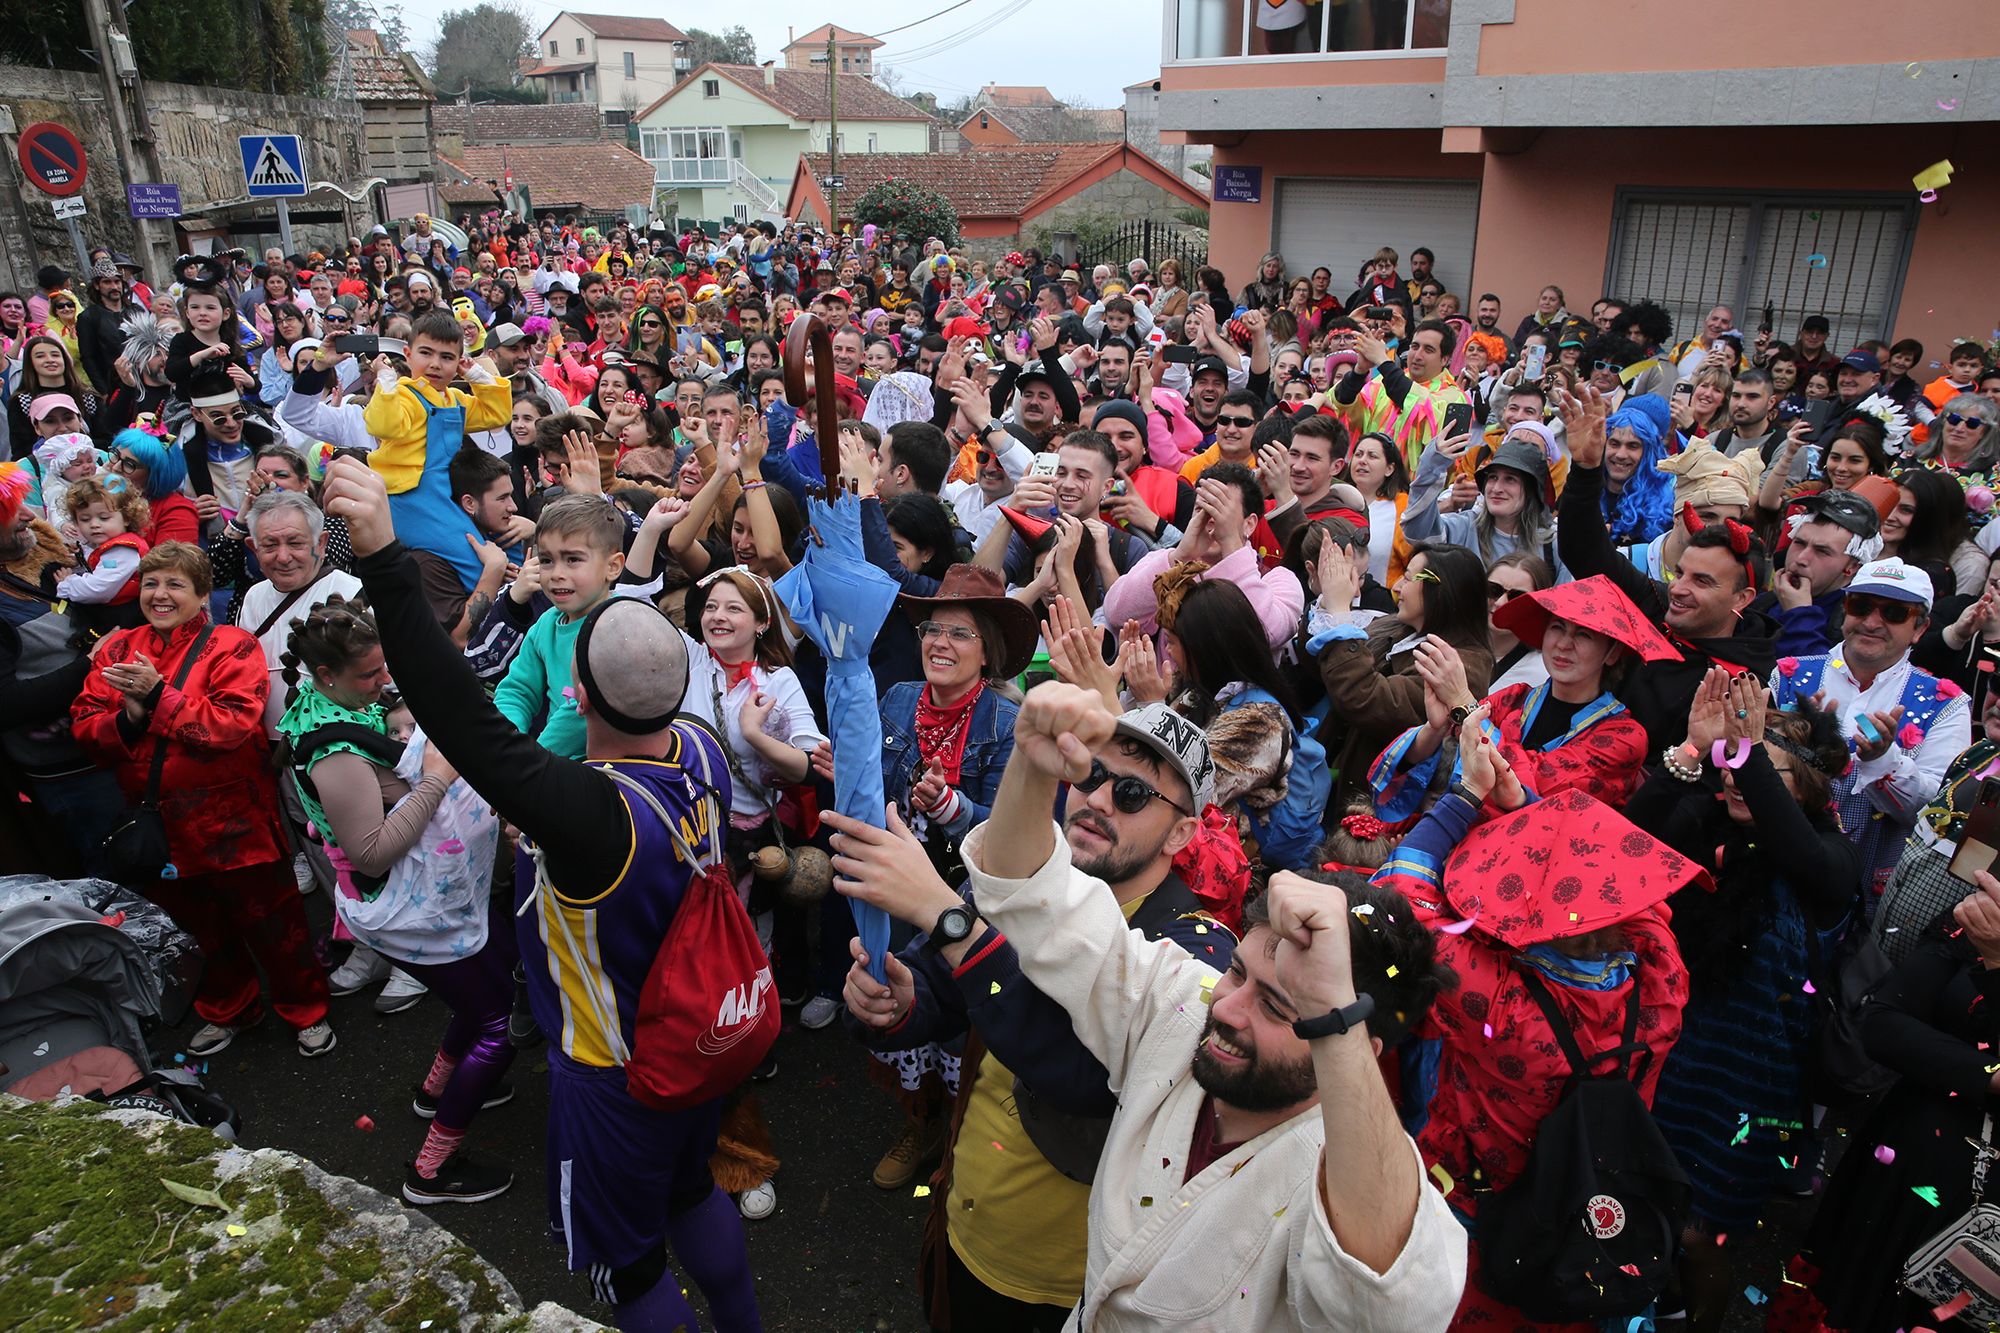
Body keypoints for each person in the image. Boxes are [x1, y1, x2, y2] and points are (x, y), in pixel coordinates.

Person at [320, 454, 763, 1329]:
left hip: (615, 1075)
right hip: (695, 1042)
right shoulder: (702, 744)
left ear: (583, 693)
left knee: (631, 1269)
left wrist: (382, 564)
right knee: (690, 1191)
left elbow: (467, 722)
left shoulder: (589, 811)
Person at [883, 681, 1467, 1329]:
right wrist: (1030, 757)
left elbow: (1398, 1305)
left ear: (1353, 1045)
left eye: (1280, 1007)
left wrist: (1334, 1004)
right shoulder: (1187, 1009)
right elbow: (1025, 893)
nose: (1232, 1007)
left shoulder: (1325, 1171)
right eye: (1240, 972)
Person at [830, 697, 1233, 1332]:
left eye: (1131, 794)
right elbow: (936, 984)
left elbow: (1084, 1078)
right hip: (962, 1224)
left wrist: (948, 918)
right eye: (1091, 775)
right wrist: (895, 1002)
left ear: (1181, 833)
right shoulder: (1029, 872)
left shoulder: (1197, 950)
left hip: (1059, 1285)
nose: (1098, 801)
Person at [1374, 735, 1696, 1333]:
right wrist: (1522, 799)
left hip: (1481, 1214)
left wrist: (1467, 795)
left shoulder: (1500, 1003)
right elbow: (1635, 894)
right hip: (1585, 1213)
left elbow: (1400, 901)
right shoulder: (1662, 979)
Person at [1629, 671, 1856, 1332]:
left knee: (1706, 1236)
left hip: (1751, 1084)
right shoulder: (1707, 830)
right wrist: (1695, 751)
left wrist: (1749, 751)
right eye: (1733, 762)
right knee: (1646, 1206)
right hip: (1672, 1057)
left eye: (1755, 765)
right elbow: (1629, 839)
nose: (1734, 776)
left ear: (1807, 787)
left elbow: (1802, 855)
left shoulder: (1831, 861)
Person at [70, 542, 335, 1059]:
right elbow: (83, 726)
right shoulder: (118, 650)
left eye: (174, 584)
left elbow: (232, 725)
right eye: (151, 583)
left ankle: (305, 1008)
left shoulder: (232, 645)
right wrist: (127, 718)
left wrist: (156, 697)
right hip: (162, 830)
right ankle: (228, 1009)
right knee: (197, 929)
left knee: (274, 924)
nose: (160, 594)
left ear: (202, 594)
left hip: (237, 823)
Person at [1556, 386, 1779, 751]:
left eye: (1702, 581)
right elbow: (1584, 552)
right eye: (1682, 574)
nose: (1677, 588)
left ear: (1744, 597)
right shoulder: (1660, 604)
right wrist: (1584, 470)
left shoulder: (1744, 682)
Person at [1370, 575, 1670, 821]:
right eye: (1557, 628)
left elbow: (1533, 787)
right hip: (1461, 832)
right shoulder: (1514, 698)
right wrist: (1435, 729)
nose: (1564, 644)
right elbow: (1430, 761)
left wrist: (1462, 702)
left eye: (1584, 635)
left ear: (1613, 653)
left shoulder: (1624, 736)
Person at [1769, 558, 1972, 904]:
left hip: (1872, 887)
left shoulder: (1947, 705)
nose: (1872, 622)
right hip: (1778, 870)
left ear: (1920, 628)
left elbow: (1934, 815)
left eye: (1894, 613)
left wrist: (1882, 762)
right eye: (1860, 606)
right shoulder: (1789, 676)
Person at [1311, 541, 1494, 802]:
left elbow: (1366, 699)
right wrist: (1329, 601)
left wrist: (1340, 614)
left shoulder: (1461, 665)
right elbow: (1322, 671)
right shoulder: (1397, 628)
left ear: (1440, 592)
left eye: (1408, 578)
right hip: (1342, 782)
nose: (1396, 587)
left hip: (1381, 810)